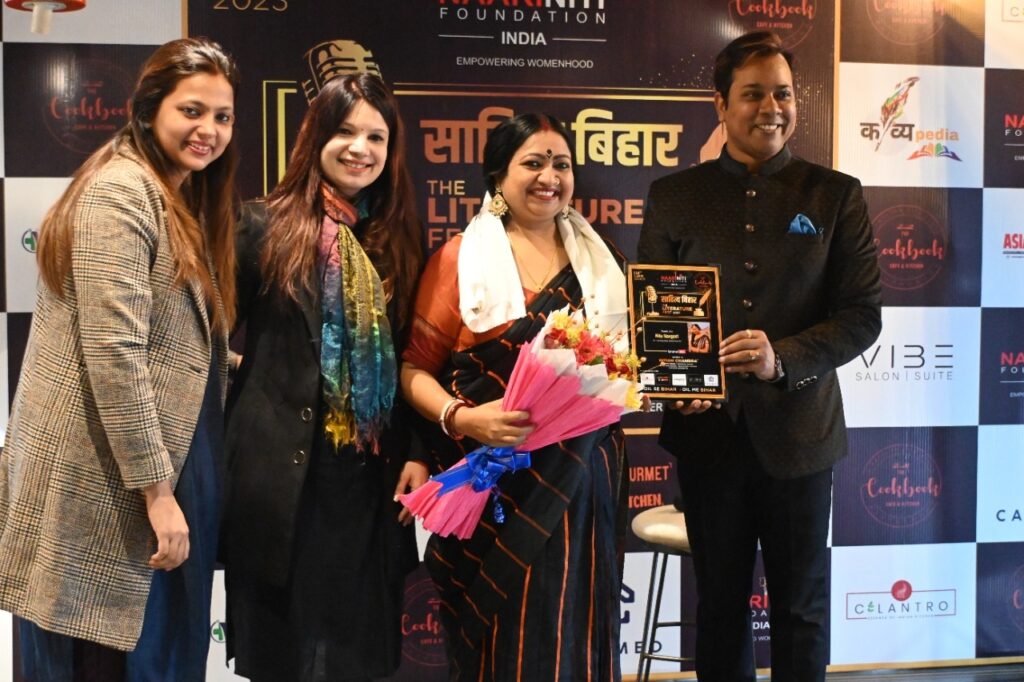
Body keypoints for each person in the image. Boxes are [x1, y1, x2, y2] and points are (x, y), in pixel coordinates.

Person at [637, 31, 882, 681]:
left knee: (801, 608)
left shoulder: (835, 194)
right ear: (720, 104)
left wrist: (784, 359)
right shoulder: (674, 195)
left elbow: (862, 316)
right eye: (752, 94)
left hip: (802, 438)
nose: (771, 108)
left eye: (783, 94)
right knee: (719, 607)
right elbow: (656, 313)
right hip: (707, 436)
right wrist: (677, 386)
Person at [0, 37, 239, 681]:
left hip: (138, 476)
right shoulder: (120, 192)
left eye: (222, 116)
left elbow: (166, 339)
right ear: (148, 109)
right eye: (192, 111)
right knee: (101, 663)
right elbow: (115, 353)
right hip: (107, 486)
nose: (209, 130)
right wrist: (158, 493)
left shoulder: (169, 194)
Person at [401, 113, 630, 681]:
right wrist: (463, 418)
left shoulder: (604, 266)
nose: (550, 177)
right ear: (498, 176)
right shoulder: (460, 259)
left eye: (562, 164)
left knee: (577, 629)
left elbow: (628, 369)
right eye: (533, 163)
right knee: (503, 640)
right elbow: (414, 370)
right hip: (493, 484)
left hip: (580, 481)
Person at [221, 73, 427, 682]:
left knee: (355, 656)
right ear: (316, 138)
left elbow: (415, 357)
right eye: (345, 132)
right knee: (282, 657)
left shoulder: (396, 239)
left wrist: (418, 451)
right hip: (280, 483)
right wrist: (253, 379)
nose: (360, 148)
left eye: (376, 137)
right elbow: (202, 338)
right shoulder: (261, 226)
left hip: (367, 485)